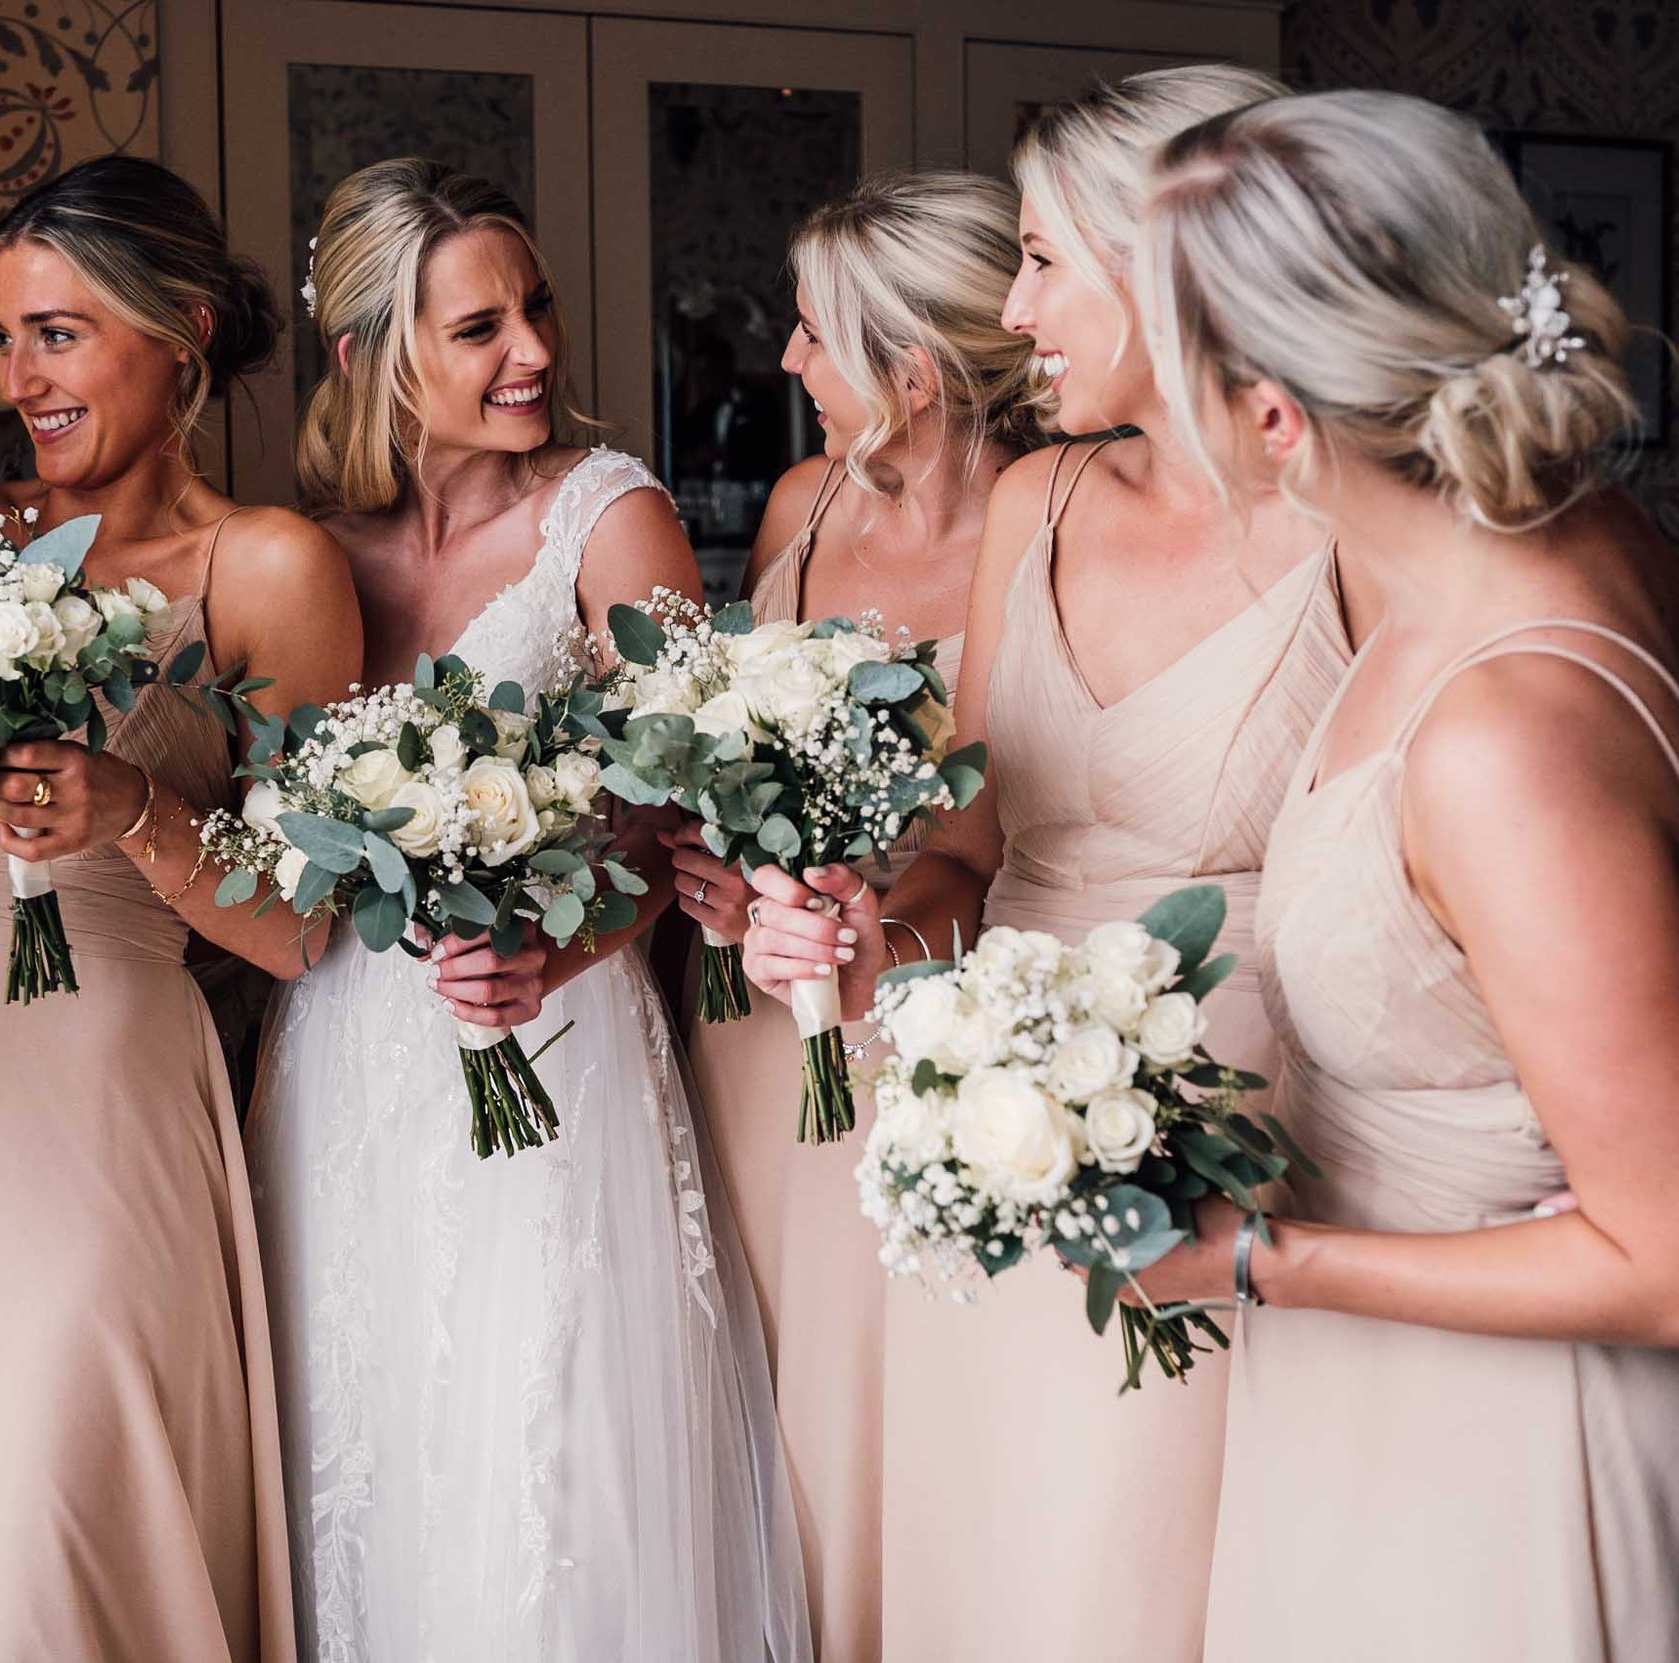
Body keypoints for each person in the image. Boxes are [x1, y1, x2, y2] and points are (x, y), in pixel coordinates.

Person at [1126, 87, 1679, 1660]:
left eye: (1169, 356)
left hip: (1529, 1457)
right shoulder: (1582, 541)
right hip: (1399, 1399)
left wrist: (1255, 1258)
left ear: (1268, 418)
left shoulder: (1499, 736)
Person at [739, 66, 1338, 1663]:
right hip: (1005, 1131)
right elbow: (966, 852)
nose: (1015, 310)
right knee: (1004, 1567)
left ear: (1169, 266)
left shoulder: (1355, 513)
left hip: (1261, 1133)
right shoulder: (1040, 495)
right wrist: (876, 941)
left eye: (1044, 260)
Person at [248, 157, 808, 1661]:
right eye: (480, 326)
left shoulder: (607, 516)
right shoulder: (310, 554)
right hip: (356, 1042)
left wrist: (560, 945)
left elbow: (676, 815)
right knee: (367, 1434)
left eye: (536, 308)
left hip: (558, 1040)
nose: (536, 355)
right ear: (371, 356)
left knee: (546, 1446)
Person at [0, 156, 361, 1663]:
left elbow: (305, 925)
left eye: (57, 333)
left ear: (180, 330)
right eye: (3, 338)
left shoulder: (264, 564)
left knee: (51, 1511)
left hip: (99, 1100)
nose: (20, 377)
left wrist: (136, 811)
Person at [661, 168, 1030, 1662]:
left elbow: (988, 850)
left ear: (917, 372)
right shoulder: (804, 510)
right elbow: (742, 753)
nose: (790, 365)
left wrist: (876, 938)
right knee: (776, 1392)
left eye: (816, 336)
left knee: (917, 1408)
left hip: (926, 1019)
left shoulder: (1046, 519)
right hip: (759, 1017)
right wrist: (715, 864)